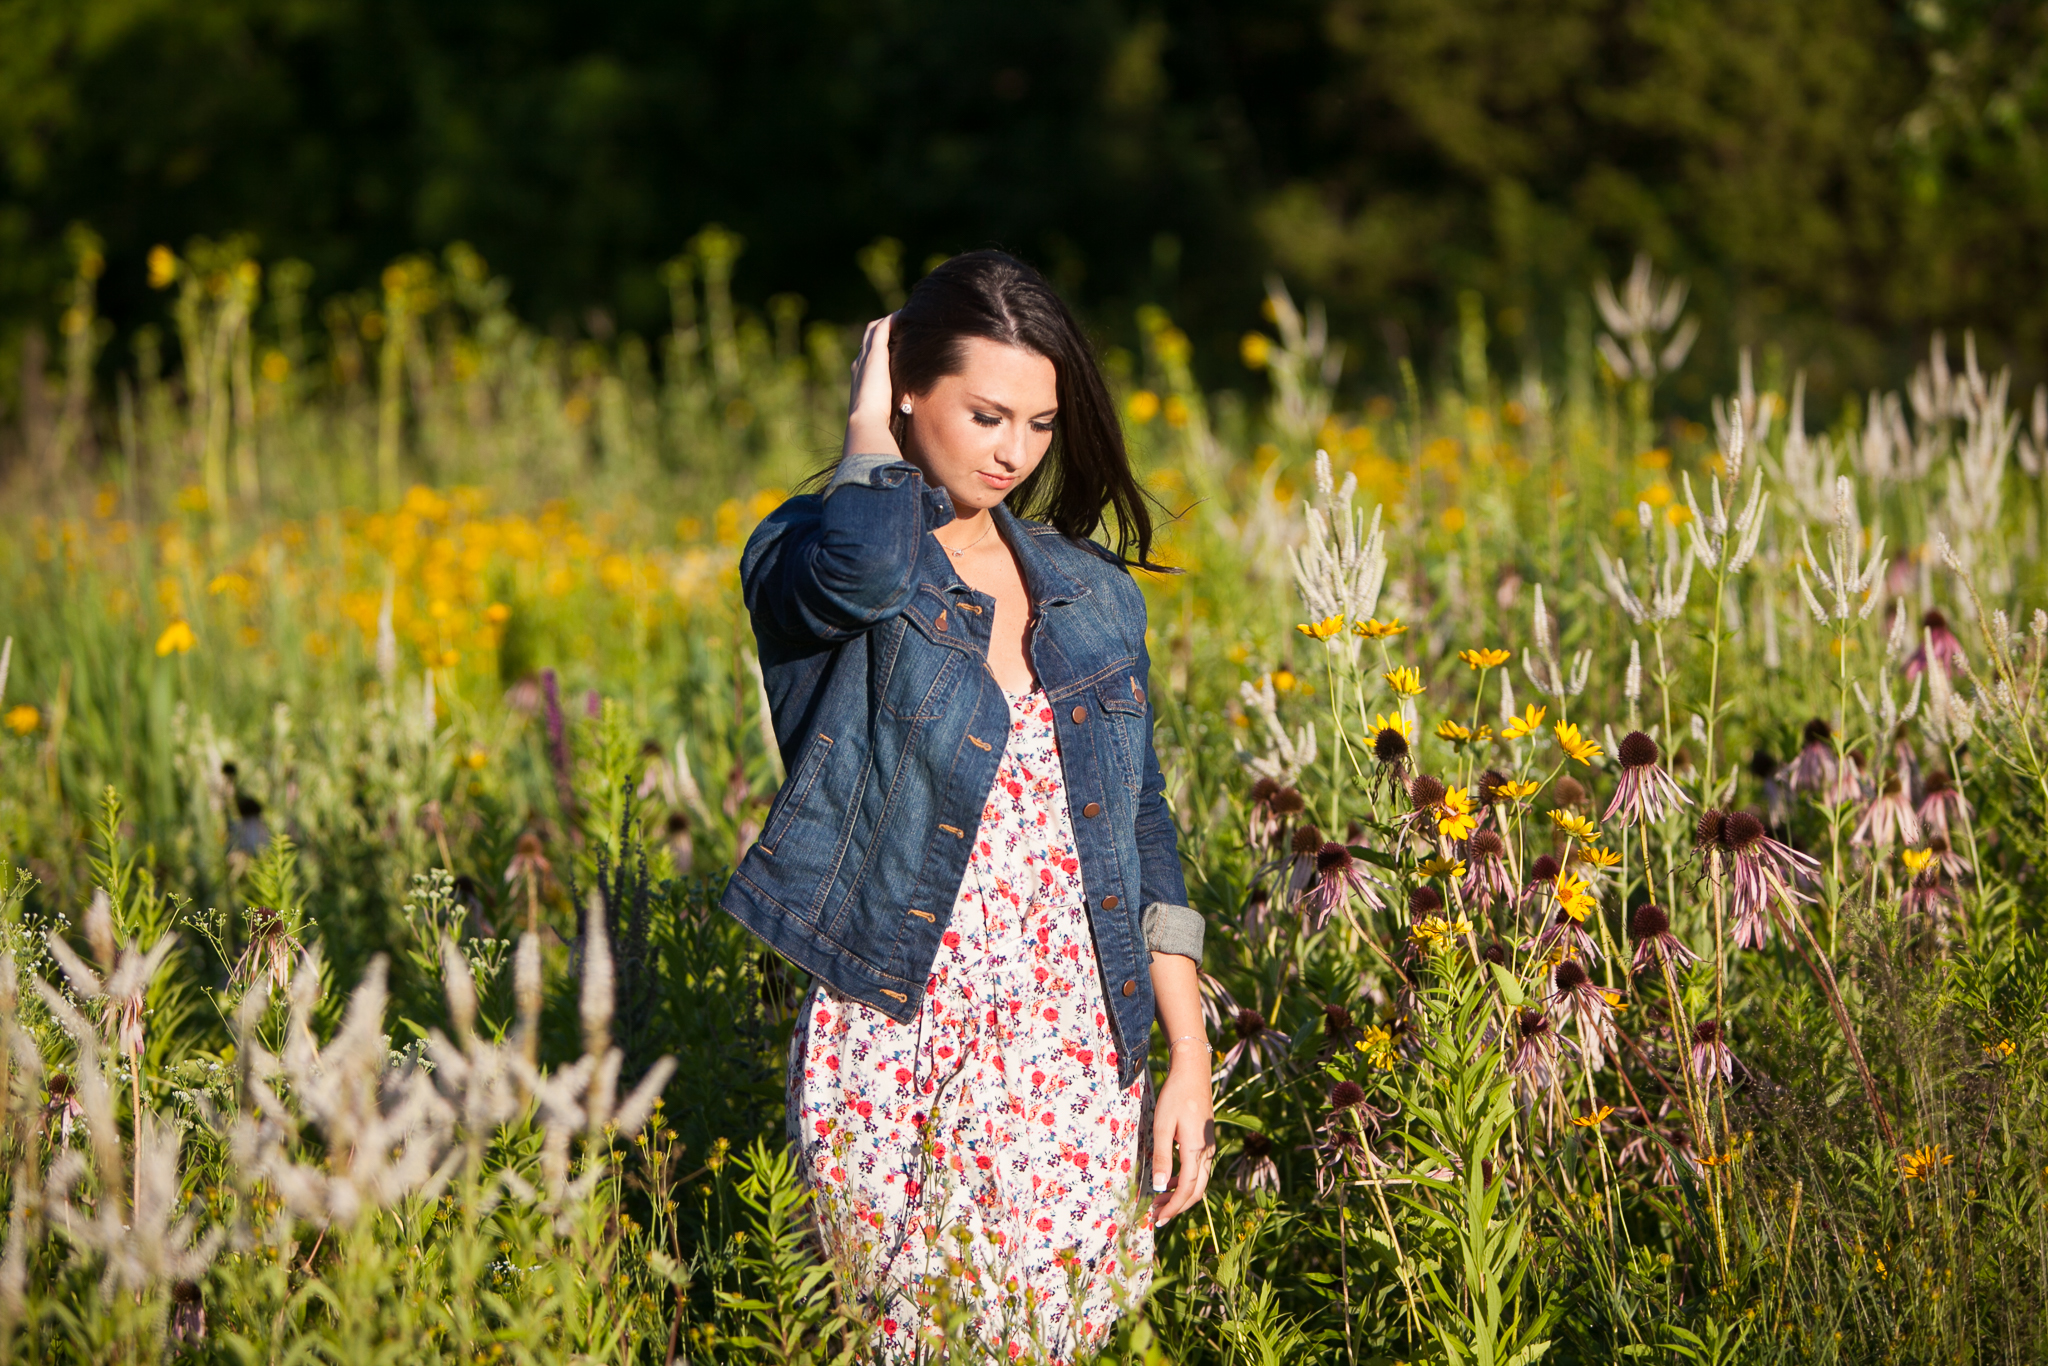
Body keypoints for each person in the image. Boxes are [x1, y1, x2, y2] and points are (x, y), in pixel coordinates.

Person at [722, 250, 1213, 1362]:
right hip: (897, 1029)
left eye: (1039, 424)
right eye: (986, 414)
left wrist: (1185, 1054)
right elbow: (853, 571)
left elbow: (1145, 830)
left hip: (1076, 1044)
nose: (1013, 452)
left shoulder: (1087, 591)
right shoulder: (812, 553)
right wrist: (863, 438)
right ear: (905, 387)